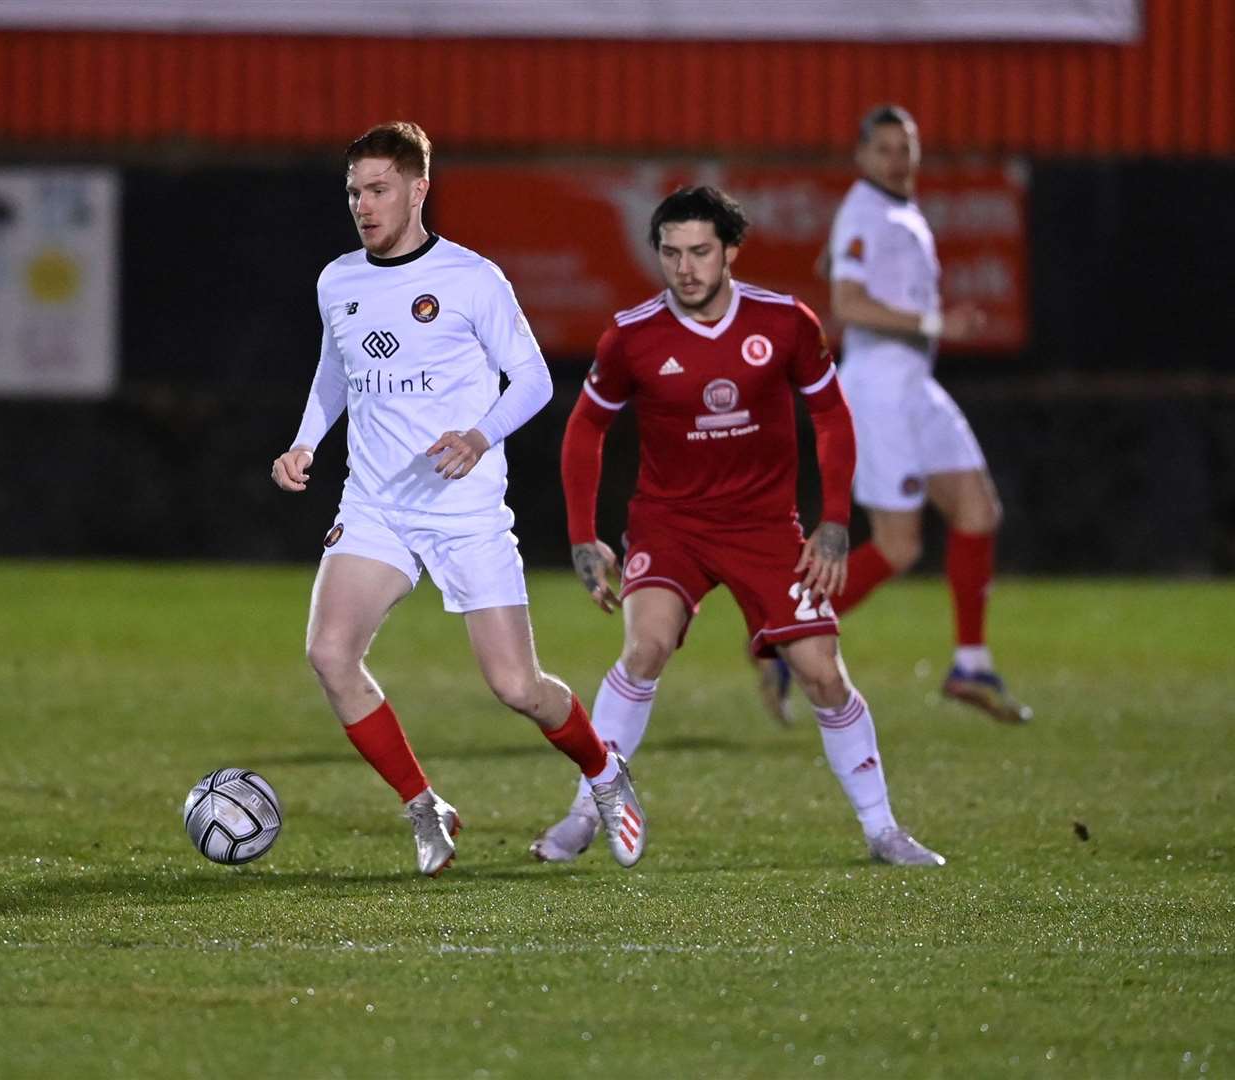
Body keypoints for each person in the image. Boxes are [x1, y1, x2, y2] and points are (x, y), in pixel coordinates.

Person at [270, 121, 646, 877]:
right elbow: (334, 374)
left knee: (516, 686)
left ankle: (605, 774)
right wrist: (306, 440)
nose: (363, 206)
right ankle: (424, 807)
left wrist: (477, 437)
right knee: (330, 653)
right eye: (354, 192)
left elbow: (535, 381)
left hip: (464, 510)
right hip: (377, 504)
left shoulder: (473, 279)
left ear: (418, 189)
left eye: (378, 190)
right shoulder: (338, 279)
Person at [534, 185, 945, 868]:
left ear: (730, 251)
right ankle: (587, 811)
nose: (685, 267)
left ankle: (882, 831)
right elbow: (586, 428)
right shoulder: (632, 336)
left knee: (821, 674)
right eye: (671, 253)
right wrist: (585, 533)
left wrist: (835, 521)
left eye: (700, 252)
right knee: (645, 648)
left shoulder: (785, 323)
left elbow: (834, 417)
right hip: (670, 525)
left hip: (764, 526)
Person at [809, 103, 1032, 725]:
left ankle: (970, 663)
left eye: (904, 146)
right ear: (861, 157)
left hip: (912, 381)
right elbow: (848, 304)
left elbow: (846, 272)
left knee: (977, 509)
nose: (896, 158)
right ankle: (783, 632)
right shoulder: (864, 206)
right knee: (898, 546)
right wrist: (936, 322)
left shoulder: (891, 211)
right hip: (878, 387)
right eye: (882, 148)